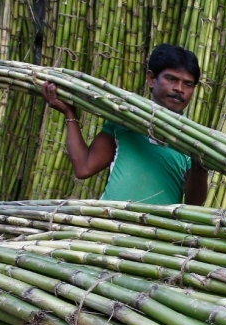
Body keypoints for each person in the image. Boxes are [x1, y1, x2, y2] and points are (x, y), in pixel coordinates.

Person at [41, 44, 208, 205]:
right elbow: (84, 167)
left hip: (156, 231)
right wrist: (69, 114)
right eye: (171, 79)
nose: (179, 89)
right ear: (151, 79)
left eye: (188, 84)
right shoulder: (125, 119)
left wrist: (199, 162)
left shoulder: (193, 138)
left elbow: (194, 202)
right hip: (110, 225)